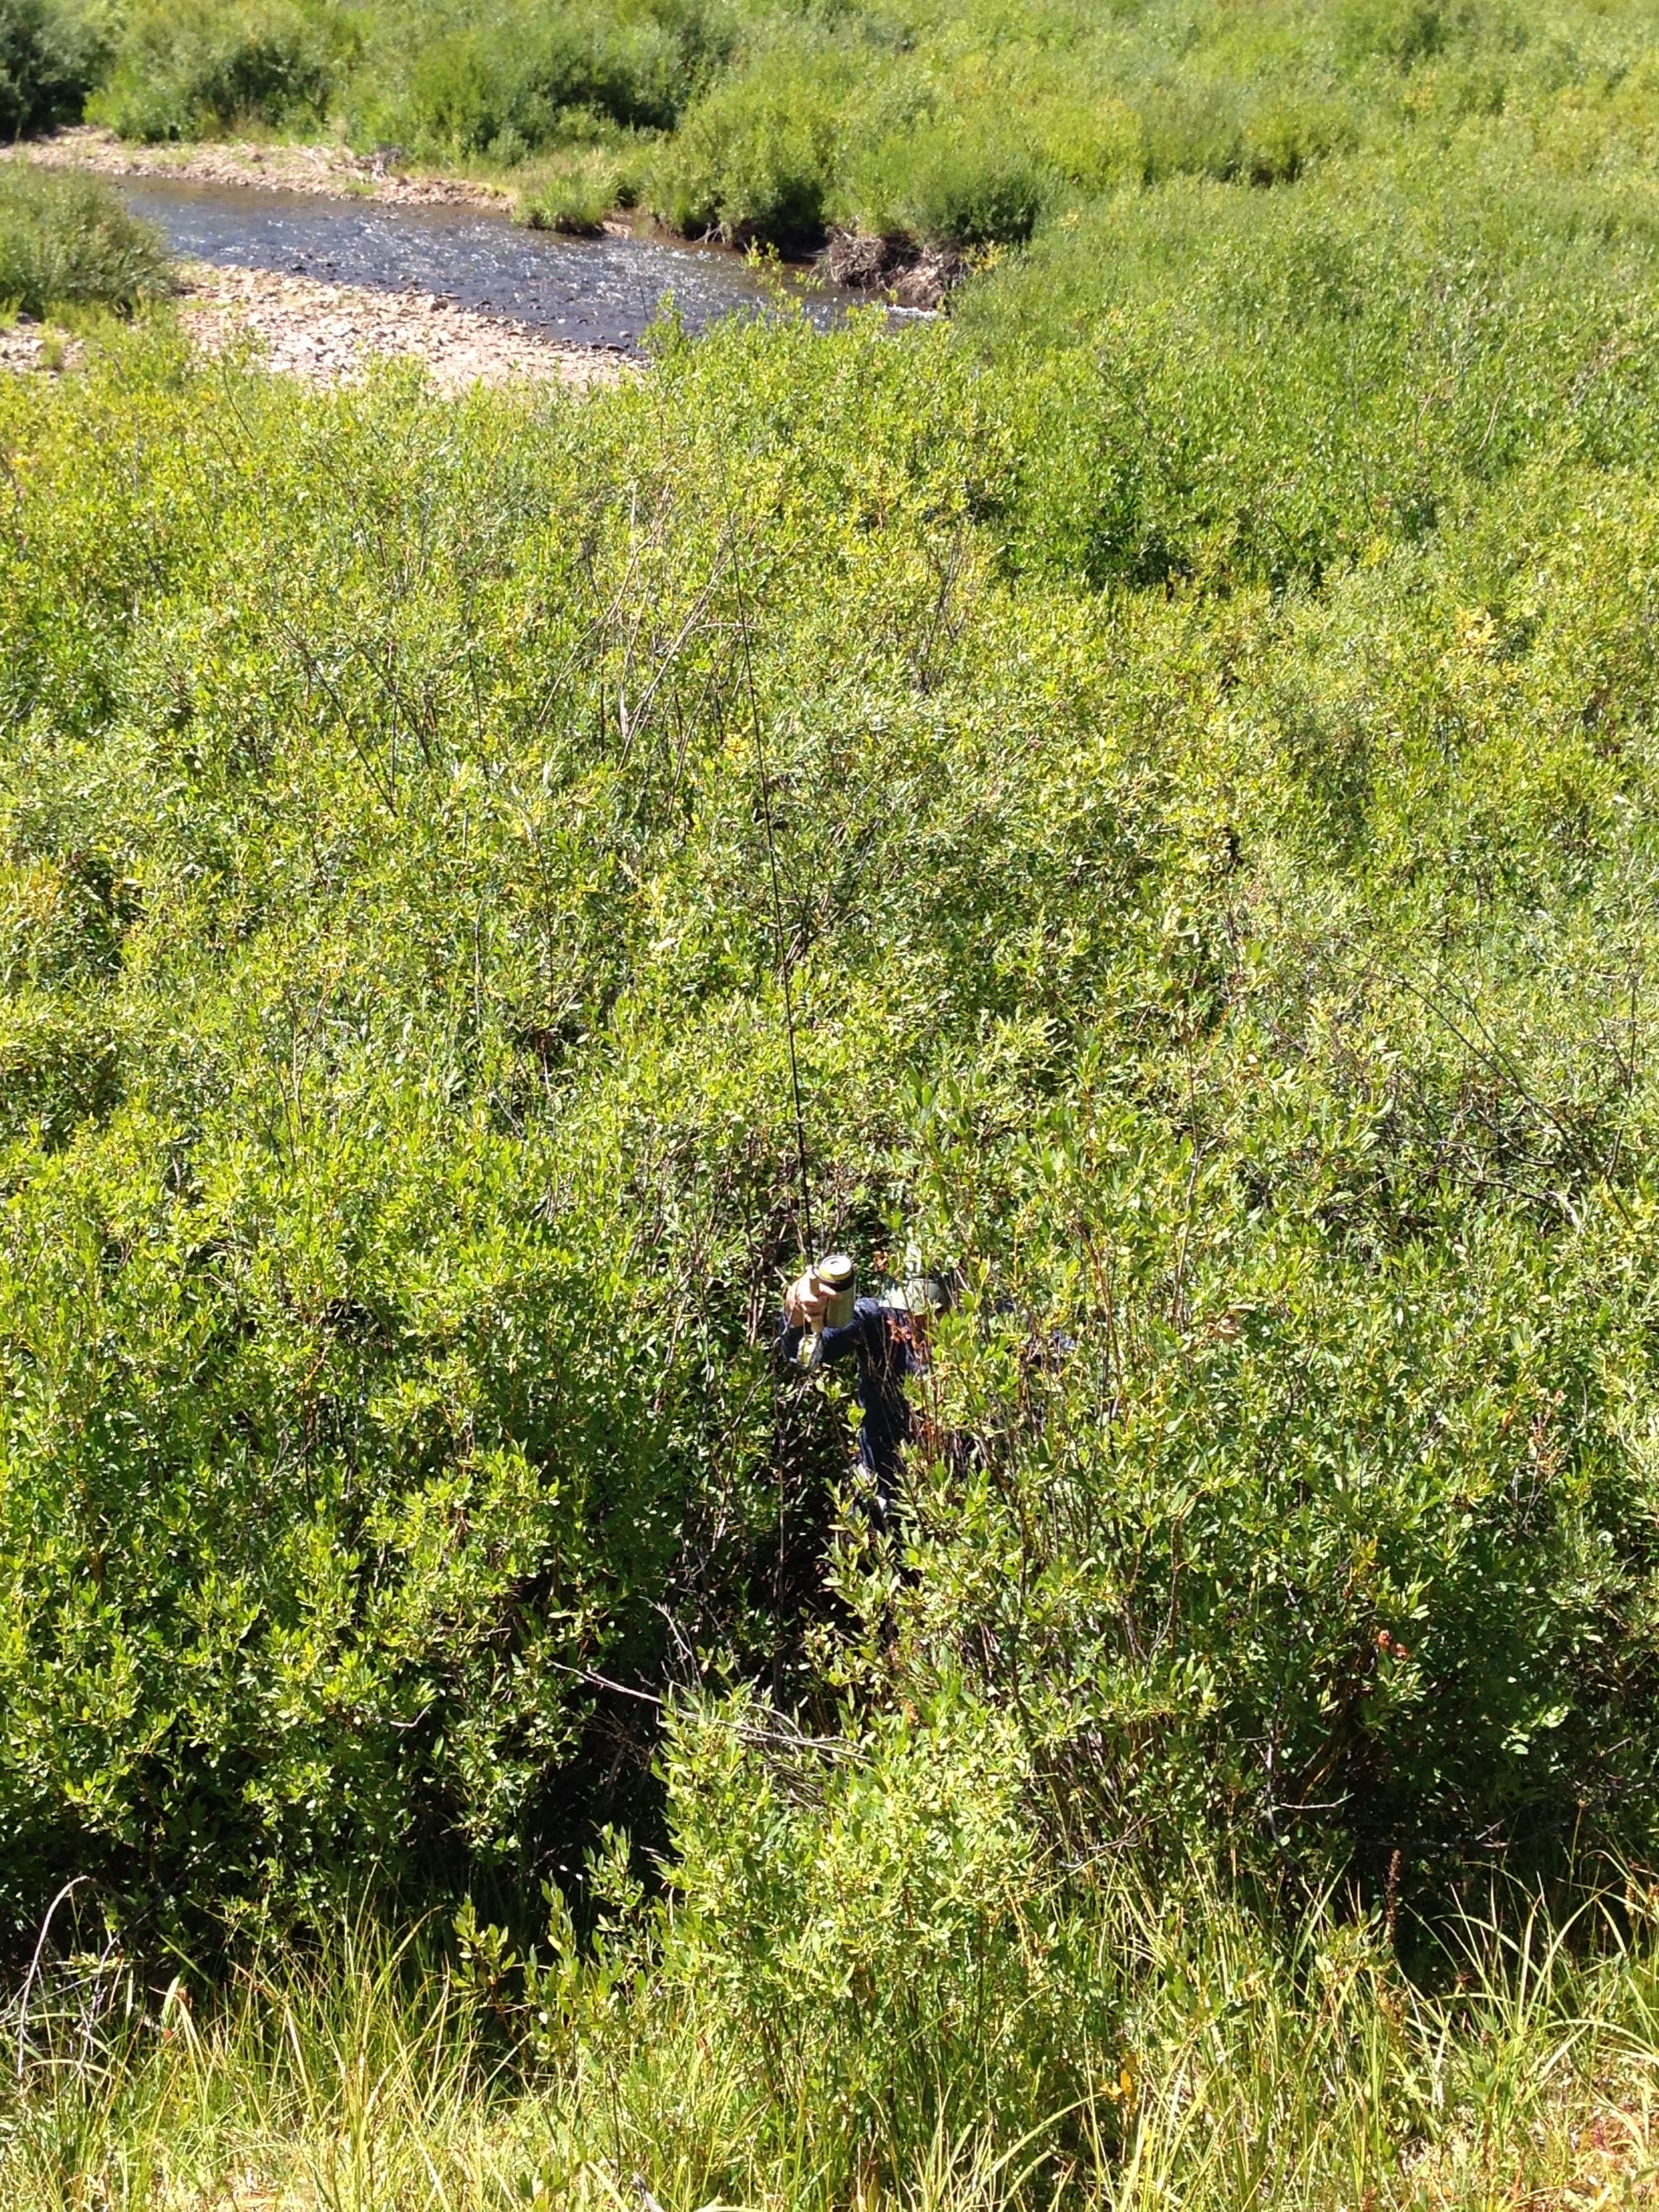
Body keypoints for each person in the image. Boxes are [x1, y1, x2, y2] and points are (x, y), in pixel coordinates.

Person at [778, 1261, 951, 1519]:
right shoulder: (877, 1319)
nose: (917, 1323)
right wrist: (797, 1309)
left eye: (932, 1315)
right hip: (881, 1495)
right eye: (911, 1314)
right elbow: (805, 1351)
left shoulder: (988, 1328)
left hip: (953, 1499)